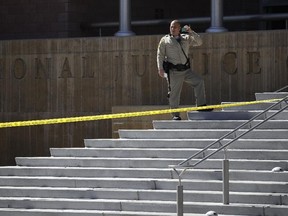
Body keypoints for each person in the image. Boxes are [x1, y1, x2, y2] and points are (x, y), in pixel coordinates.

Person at [157, 20, 213, 120]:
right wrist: (160, 68)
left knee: (199, 81)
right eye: (171, 27)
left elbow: (199, 42)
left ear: (179, 28)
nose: (172, 29)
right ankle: (175, 115)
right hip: (174, 71)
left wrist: (191, 32)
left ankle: (201, 106)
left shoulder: (185, 38)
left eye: (175, 27)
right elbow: (160, 55)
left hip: (186, 70)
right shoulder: (165, 40)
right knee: (174, 93)